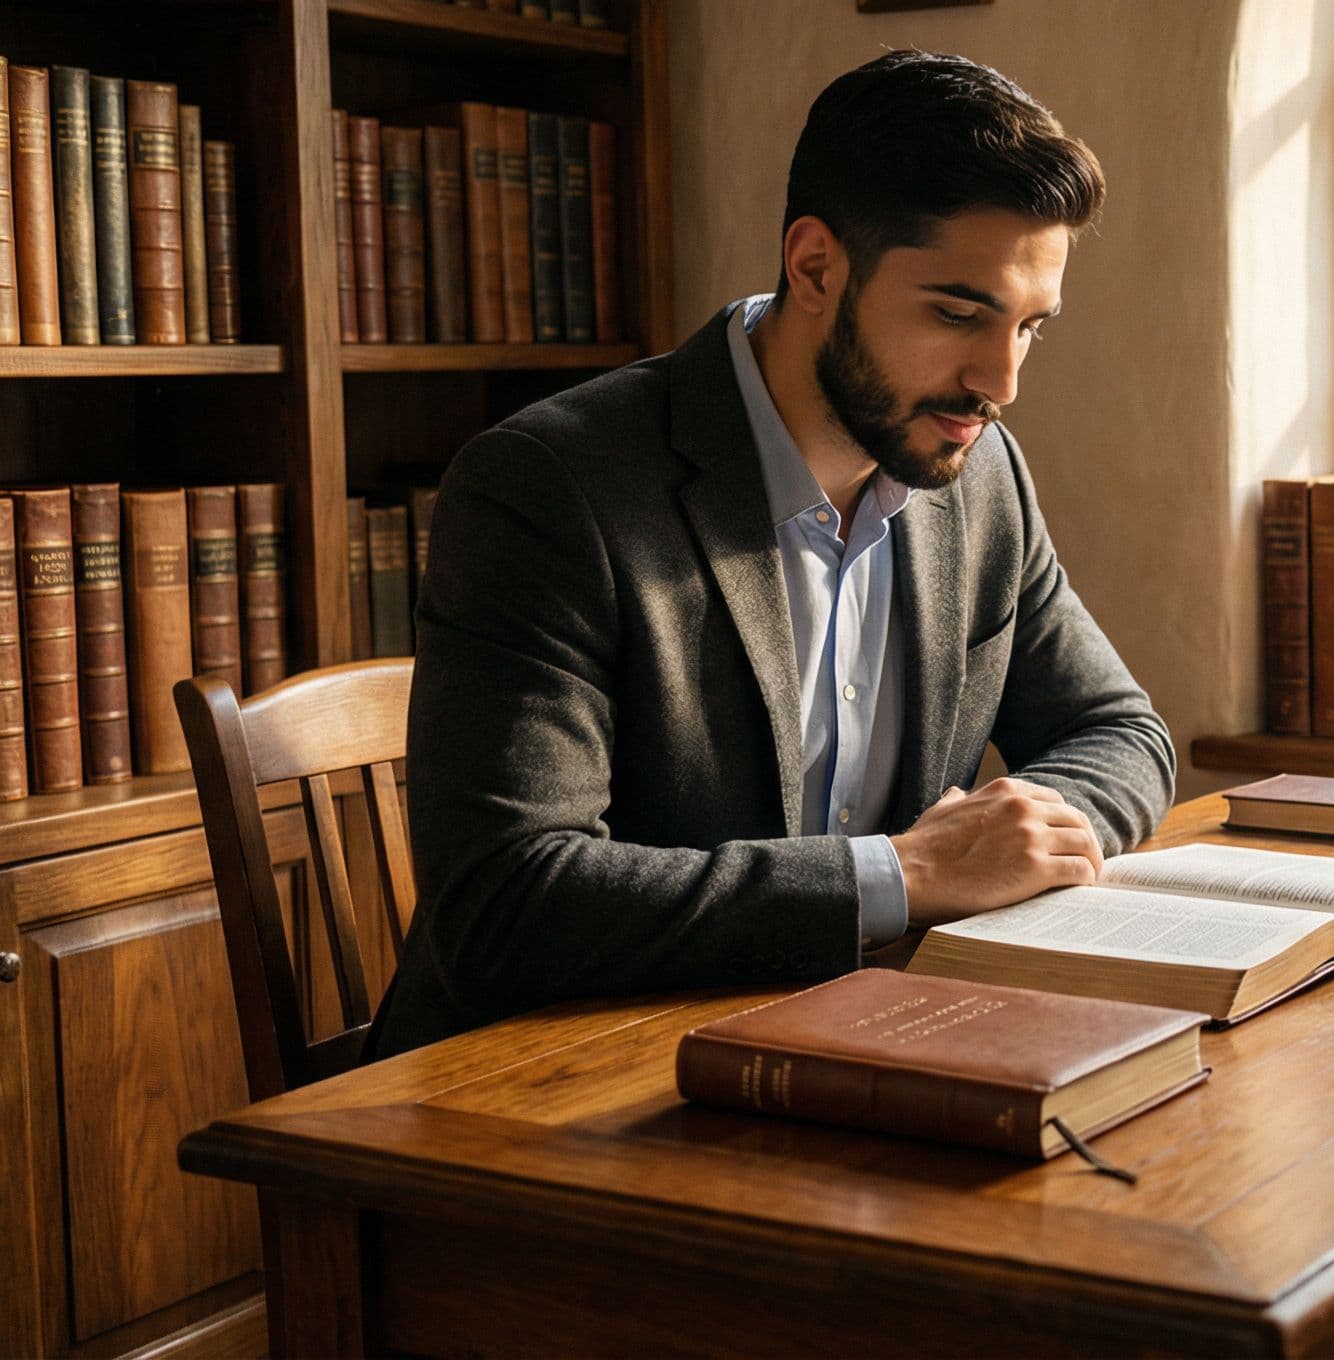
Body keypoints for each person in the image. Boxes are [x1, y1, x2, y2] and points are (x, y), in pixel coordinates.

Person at [369, 51, 1175, 1058]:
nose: (998, 381)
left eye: (1030, 328)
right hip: (544, 1087)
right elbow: (506, 903)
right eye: (959, 314)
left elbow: (1122, 732)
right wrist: (907, 875)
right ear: (814, 267)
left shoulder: (979, 474)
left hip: (853, 1042)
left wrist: (1023, 843)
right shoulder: (548, 486)